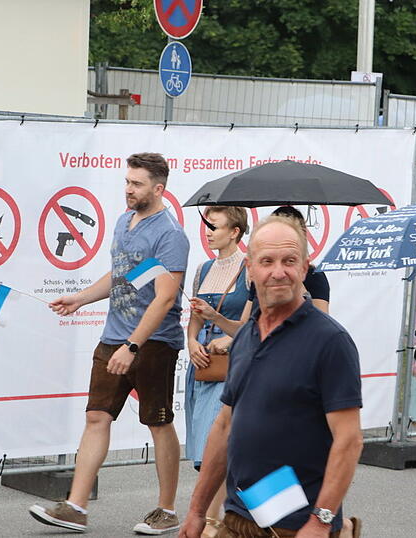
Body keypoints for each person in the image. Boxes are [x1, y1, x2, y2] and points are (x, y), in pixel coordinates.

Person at [30, 153, 189, 535]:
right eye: (127, 181)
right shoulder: (124, 222)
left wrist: (133, 346)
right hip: (112, 337)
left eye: (136, 183)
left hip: (152, 344)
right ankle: (75, 507)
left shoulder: (170, 234)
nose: (128, 189)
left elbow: (165, 298)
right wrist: (80, 298)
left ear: (158, 188)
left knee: (158, 423)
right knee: (96, 416)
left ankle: (167, 510)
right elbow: (123, 276)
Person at [180, 216, 363, 538]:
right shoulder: (246, 337)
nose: (278, 272)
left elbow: (348, 440)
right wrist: (196, 512)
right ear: (250, 269)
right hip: (237, 520)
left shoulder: (330, 341)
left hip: (299, 528)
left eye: (289, 261)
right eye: (267, 261)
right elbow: (224, 426)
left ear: (305, 268)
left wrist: (321, 521)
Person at [185, 206, 249, 536]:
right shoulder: (203, 269)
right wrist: (192, 342)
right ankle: (214, 518)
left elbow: (248, 325)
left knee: (219, 445)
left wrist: (222, 330)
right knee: (203, 445)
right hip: (202, 364)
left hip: (232, 363)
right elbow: (194, 318)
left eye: (215, 226)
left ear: (235, 231)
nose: (209, 231)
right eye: (208, 226)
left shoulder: (248, 267)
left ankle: (212, 521)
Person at [193, 206, 329, 338]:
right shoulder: (261, 277)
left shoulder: (314, 276)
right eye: (268, 261)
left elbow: (321, 330)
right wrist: (214, 317)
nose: (278, 273)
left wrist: (297, 282)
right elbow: (244, 329)